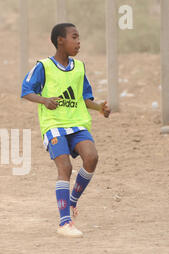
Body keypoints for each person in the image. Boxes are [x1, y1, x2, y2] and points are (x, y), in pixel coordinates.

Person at [21, 23, 111, 237]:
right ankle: (64, 223)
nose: (79, 42)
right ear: (60, 40)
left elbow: (84, 98)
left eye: (79, 37)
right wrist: (44, 100)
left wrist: (100, 108)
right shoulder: (43, 66)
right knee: (65, 167)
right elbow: (25, 91)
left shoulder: (79, 68)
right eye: (74, 37)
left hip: (78, 123)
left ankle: (71, 202)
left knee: (92, 157)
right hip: (54, 125)